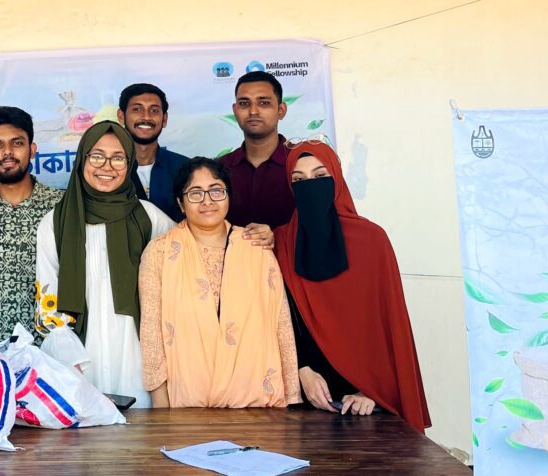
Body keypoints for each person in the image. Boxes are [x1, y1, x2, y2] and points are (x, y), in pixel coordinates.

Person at [275, 138, 431, 430]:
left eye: (320, 177)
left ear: (336, 179)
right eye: (299, 180)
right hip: (305, 395)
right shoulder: (282, 242)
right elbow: (281, 318)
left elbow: (389, 326)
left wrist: (374, 391)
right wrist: (301, 371)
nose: (310, 186)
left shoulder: (372, 240)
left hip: (367, 401)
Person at [139, 158, 300, 408]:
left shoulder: (256, 248)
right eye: (195, 193)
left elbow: (281, 327)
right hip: (185, 407)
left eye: (216, 190)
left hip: (259, 406)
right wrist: (162, 409)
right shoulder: (159, 253)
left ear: (228, 196)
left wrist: (292, 398)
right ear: (180, 203)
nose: (207, 201)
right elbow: (151, 336)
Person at [35, 121, 175, 408]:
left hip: (139, 356)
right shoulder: (55, 223)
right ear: (82, 159)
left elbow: (191, 257)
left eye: (118, 157)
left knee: (141, 444)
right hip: (81, 360)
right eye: (96, 156)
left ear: (130, 163)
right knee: (85, 446)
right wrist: (70, 365)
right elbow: (47, 304)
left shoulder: (150, 218)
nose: (106, 166)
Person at [0, 106, 63, 347]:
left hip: (47, 351)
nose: (7, 152)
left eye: (17, 143)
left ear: (33, 150)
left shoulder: (61, 206)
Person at [219, 71, 294, 230]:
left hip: (291, 255)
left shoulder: (302, 165)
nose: (253, 111)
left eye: (264, 103)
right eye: (244, 103)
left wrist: (279, 237)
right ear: (235, 110)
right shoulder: (218, 169)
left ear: (281, 110)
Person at [117, 83, 189, 222]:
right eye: (137, 109)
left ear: (165, 119)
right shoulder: (108, 170)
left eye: (154, 110)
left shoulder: (185, 168)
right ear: (121, 116)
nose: (146, 117)